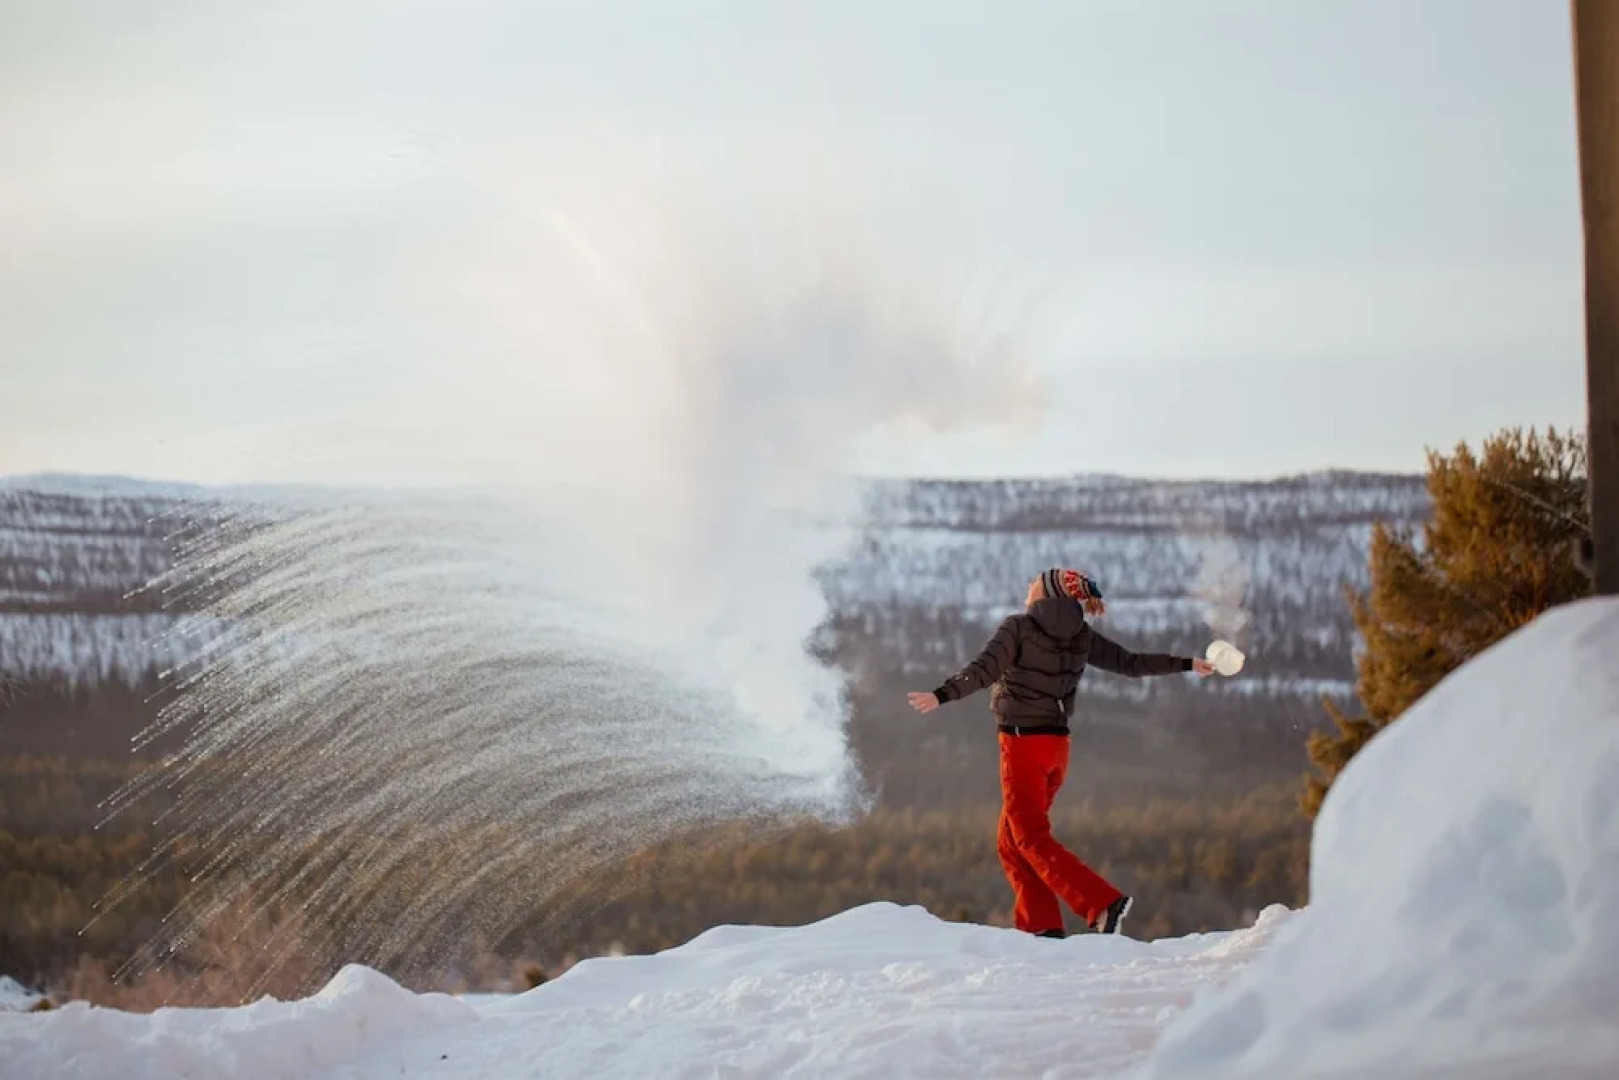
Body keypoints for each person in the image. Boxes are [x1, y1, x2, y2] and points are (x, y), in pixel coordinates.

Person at [907, 567, 1214, 937]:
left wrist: (941, 694)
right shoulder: (1080, 635)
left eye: (1033, 582)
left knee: (1030, 839)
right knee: (1011, 842)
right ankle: (1042, 928)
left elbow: (984, 669)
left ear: (1046, 593)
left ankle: (1102, 902)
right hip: (1057, 748)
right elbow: (1130, 664)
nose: (1027, 585)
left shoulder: (1018, 628)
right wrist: (1185, 663)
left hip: (1022, 746)